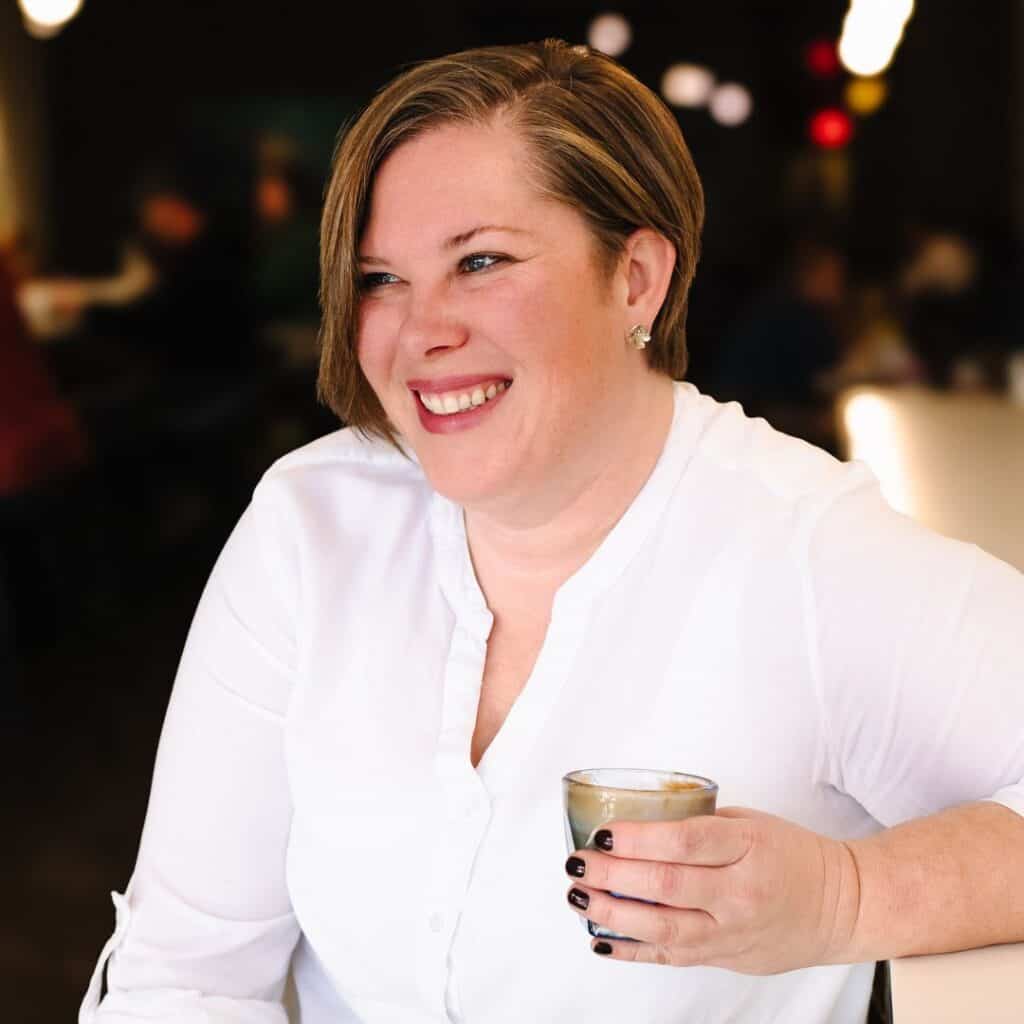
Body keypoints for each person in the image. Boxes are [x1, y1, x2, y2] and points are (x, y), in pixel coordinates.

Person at [80, 39, 1024, 1024]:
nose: (418, 330)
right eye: (380, 279)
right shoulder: (311, 527)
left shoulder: (803, 553)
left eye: (479, 261)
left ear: (636, 280)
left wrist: (846, 898)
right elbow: (183, 972)